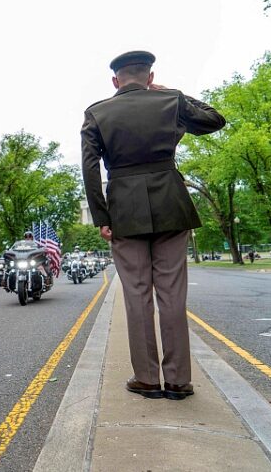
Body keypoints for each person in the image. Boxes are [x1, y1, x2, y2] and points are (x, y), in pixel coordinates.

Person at [81, 50, 226, 400]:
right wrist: (172, 93)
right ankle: (178, 381)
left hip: (124, 211)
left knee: (136, 296)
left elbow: (89, 168)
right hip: (170, 204)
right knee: (173, 295)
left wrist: (102, 217)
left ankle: (147, 378)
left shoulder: (97, 113)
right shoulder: (170, 100)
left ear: (115, 81)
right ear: (149, 76)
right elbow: (214, 119)